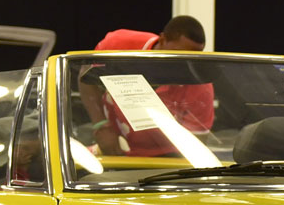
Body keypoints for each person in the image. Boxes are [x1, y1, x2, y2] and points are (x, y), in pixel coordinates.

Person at [84, 16, 213, 157]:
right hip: (114, 150)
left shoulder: (200, 85)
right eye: (179, 54)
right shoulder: (119, 45)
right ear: (163, 40)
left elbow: (195, 148)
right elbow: (84, 77)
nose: (186, 64)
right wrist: (101, 125)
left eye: (194, 58)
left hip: (167, 160)